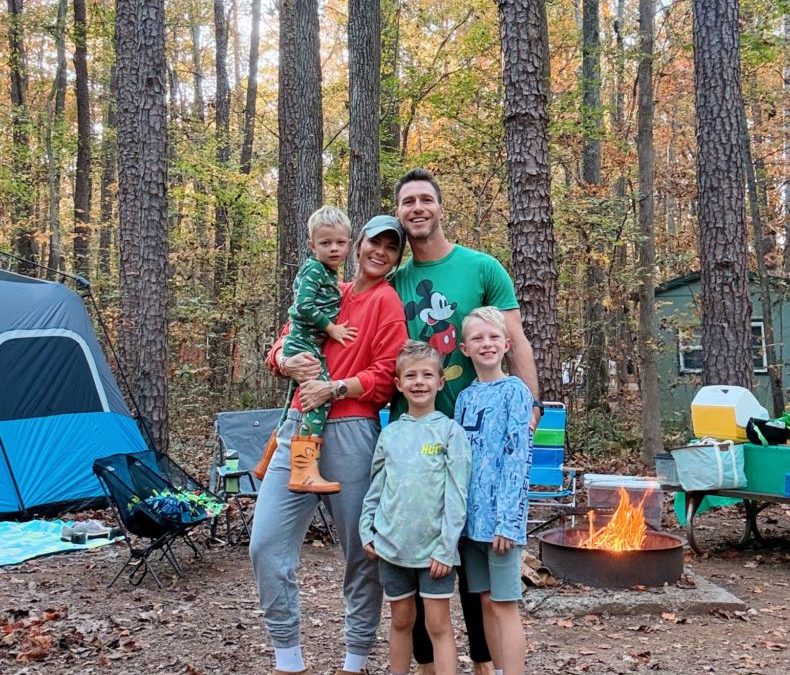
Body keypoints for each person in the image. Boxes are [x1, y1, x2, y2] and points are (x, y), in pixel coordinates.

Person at [391, 168, 542, 674]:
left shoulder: (481, 268)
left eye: (426, 199)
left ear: (439, 206)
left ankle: (485, 665)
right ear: (400, 213)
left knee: (478, 573)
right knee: (419, 561)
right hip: (418, 443)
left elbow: (515, 341)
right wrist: (284, 349)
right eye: (408, 201)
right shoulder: (395, 281)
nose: (418, 208)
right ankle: (431, 665)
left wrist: (532, 408)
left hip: (479, 443)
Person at [250, 215, 409, 675]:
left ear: (397, 257)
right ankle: (288, 659)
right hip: (299, 427)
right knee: (266, 546)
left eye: (390, 248)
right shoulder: (326, 290)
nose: (378, 252)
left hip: (351, 431)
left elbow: (387, 374)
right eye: (372, 243)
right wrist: (284, 359)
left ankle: (354, 660)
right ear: (355, 246)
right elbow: (282, 343)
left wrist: (335, 388)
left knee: (360, 551)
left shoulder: (386, 303)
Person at [359, 341, 471, 675]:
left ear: (440, 382)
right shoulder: (390, 434)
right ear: (398, 383)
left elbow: (457, 495)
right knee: (401, 620)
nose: (419, 381)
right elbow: (376, 487)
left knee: (438, 625)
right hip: (392, 548)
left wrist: (446, 548)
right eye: (411, 375)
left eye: (427, 375)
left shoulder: (451, 432)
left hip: (434, 553)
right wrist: (368, 529)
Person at [455, 307, 532, 675]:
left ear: (505, 343)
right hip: (469, 525)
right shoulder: (464, 399)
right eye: (477, 339)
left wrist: (508, 521)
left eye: (492, 337)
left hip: (501, 523)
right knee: (484, 600)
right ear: (465, 348)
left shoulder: (515, 392)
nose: (486, 344)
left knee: (504, 604)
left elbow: (518, 460)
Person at [280, 205, 356, 493]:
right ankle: (303, 469)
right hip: (304, 343)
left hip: (309, 343)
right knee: (319, 397)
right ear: (313, 246)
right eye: (326, 243)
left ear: (349, 243)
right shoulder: (313, 269)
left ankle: (271, 458)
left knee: (291, 402)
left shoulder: (328, 273)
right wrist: (331, 328)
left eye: (340, 242)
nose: (334, 248)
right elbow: (303, 306)